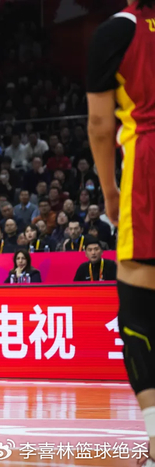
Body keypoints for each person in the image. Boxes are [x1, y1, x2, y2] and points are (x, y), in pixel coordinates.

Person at [88, 3, 155, 460]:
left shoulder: (118, 31)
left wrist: (110, 191)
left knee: (138, 308)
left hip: (147, 168)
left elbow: (100, 124)